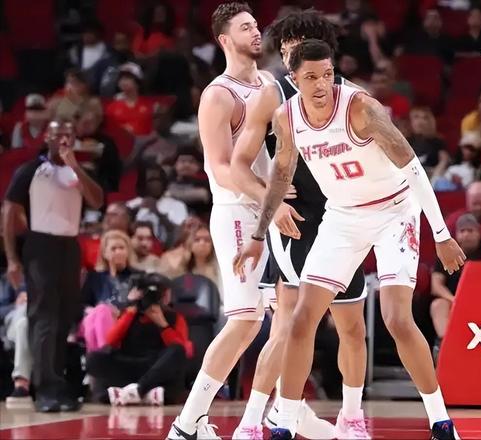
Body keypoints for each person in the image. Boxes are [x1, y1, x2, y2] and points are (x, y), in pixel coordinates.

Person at [233, 39, 465, 440]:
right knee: (302, 318)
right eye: (311, 77)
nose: (321, 84)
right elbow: (281, 176)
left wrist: (441, 234)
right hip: (343, 216)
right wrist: (257, 234)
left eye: (327, 74)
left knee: (396, 318)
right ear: (294, 80)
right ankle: (284, 425)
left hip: (394, 212)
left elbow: (412, 168)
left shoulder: (360, 107)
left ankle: (441, 422)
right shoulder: (286, 117)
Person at [230, 9, 371, 439]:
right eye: (287, 47)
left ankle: (351, 417)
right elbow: (238, 165)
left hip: (345, 218)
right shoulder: (272, 95)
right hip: (297, 220)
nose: (291, 54)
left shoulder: (352, 96)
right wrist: (269, 201)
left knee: (352, 326)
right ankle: (254, 420)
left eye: (300, 45)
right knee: (290, 321)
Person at [166, 4, 273, 439]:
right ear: (225, 40)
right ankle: (186, 423)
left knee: (290, 317)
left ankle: (281, 414)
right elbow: (220, 168)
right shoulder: (218, 95)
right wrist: (269, 197)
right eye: (246, 27)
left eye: (256, 24)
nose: (256, 31)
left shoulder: (270, 84)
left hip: (273, 211)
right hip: (238, 211)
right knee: (246, 320)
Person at [3, 119, 103, 412]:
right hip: (41, 245)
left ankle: (58, 385)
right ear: (47, 137)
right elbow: (9, 210)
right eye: (58, 134)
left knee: (64, 316)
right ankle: (44, 388)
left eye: (69, 135)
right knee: (44, 316)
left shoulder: (77, 171)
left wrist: (75, 166)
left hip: (69, 245)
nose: (64, 140)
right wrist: (12, 258)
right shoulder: (31, 170)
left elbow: (97, 201)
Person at [86, 273, 191, 406]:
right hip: (129, 365)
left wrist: (162, 324)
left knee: (177, 351)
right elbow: (110, 341)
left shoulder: (175, 317)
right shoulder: (129, 313)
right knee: (94, 358)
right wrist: (130, 309)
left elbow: (182, 349)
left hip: (156, 369)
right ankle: (146, 394)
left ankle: (137, 390)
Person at [430, 213, 481, 344]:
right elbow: (436, 285)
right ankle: (445, 344)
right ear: (456, 234)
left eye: (470, 230)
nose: (466, 234)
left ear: (478, 233)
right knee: (438, 305)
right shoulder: (447, 251)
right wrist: (454, 300)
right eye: (462, 231)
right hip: (453, 300)